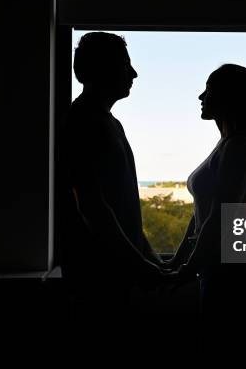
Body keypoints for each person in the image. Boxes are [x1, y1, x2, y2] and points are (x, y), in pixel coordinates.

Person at [61, 32, 165, 313]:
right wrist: (138, 263)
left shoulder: (108, 123)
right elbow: (92, 205)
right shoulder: (82, 121)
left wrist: (149, 257)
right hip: (96, 278)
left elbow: (121, 208)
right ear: (100, 69)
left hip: (111, 273)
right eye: (125, 64)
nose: (134, 73)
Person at [165, 64, 246, 328]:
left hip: (235, 273)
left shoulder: (239, 147)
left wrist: (187, 268)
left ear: (229, 97)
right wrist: (180, 260)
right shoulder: (227, 144)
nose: (201, 97)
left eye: (209, 90)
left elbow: (220, 216)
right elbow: (201, 212)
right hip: (220, 269)